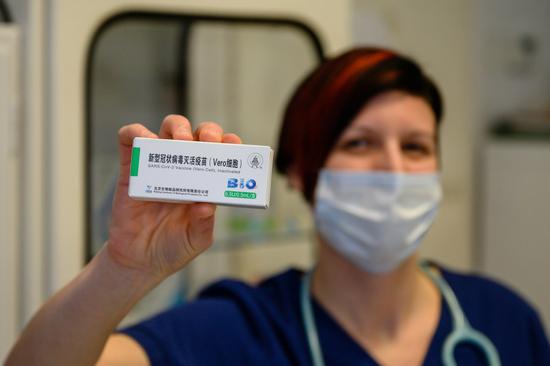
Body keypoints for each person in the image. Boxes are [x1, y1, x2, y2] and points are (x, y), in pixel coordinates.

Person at [6, 48, 550, 366]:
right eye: (358, 143)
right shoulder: (239, 328)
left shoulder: (503, 319)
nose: (393, 168)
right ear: (299, 171)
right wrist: (122, 269)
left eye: (415, 147)